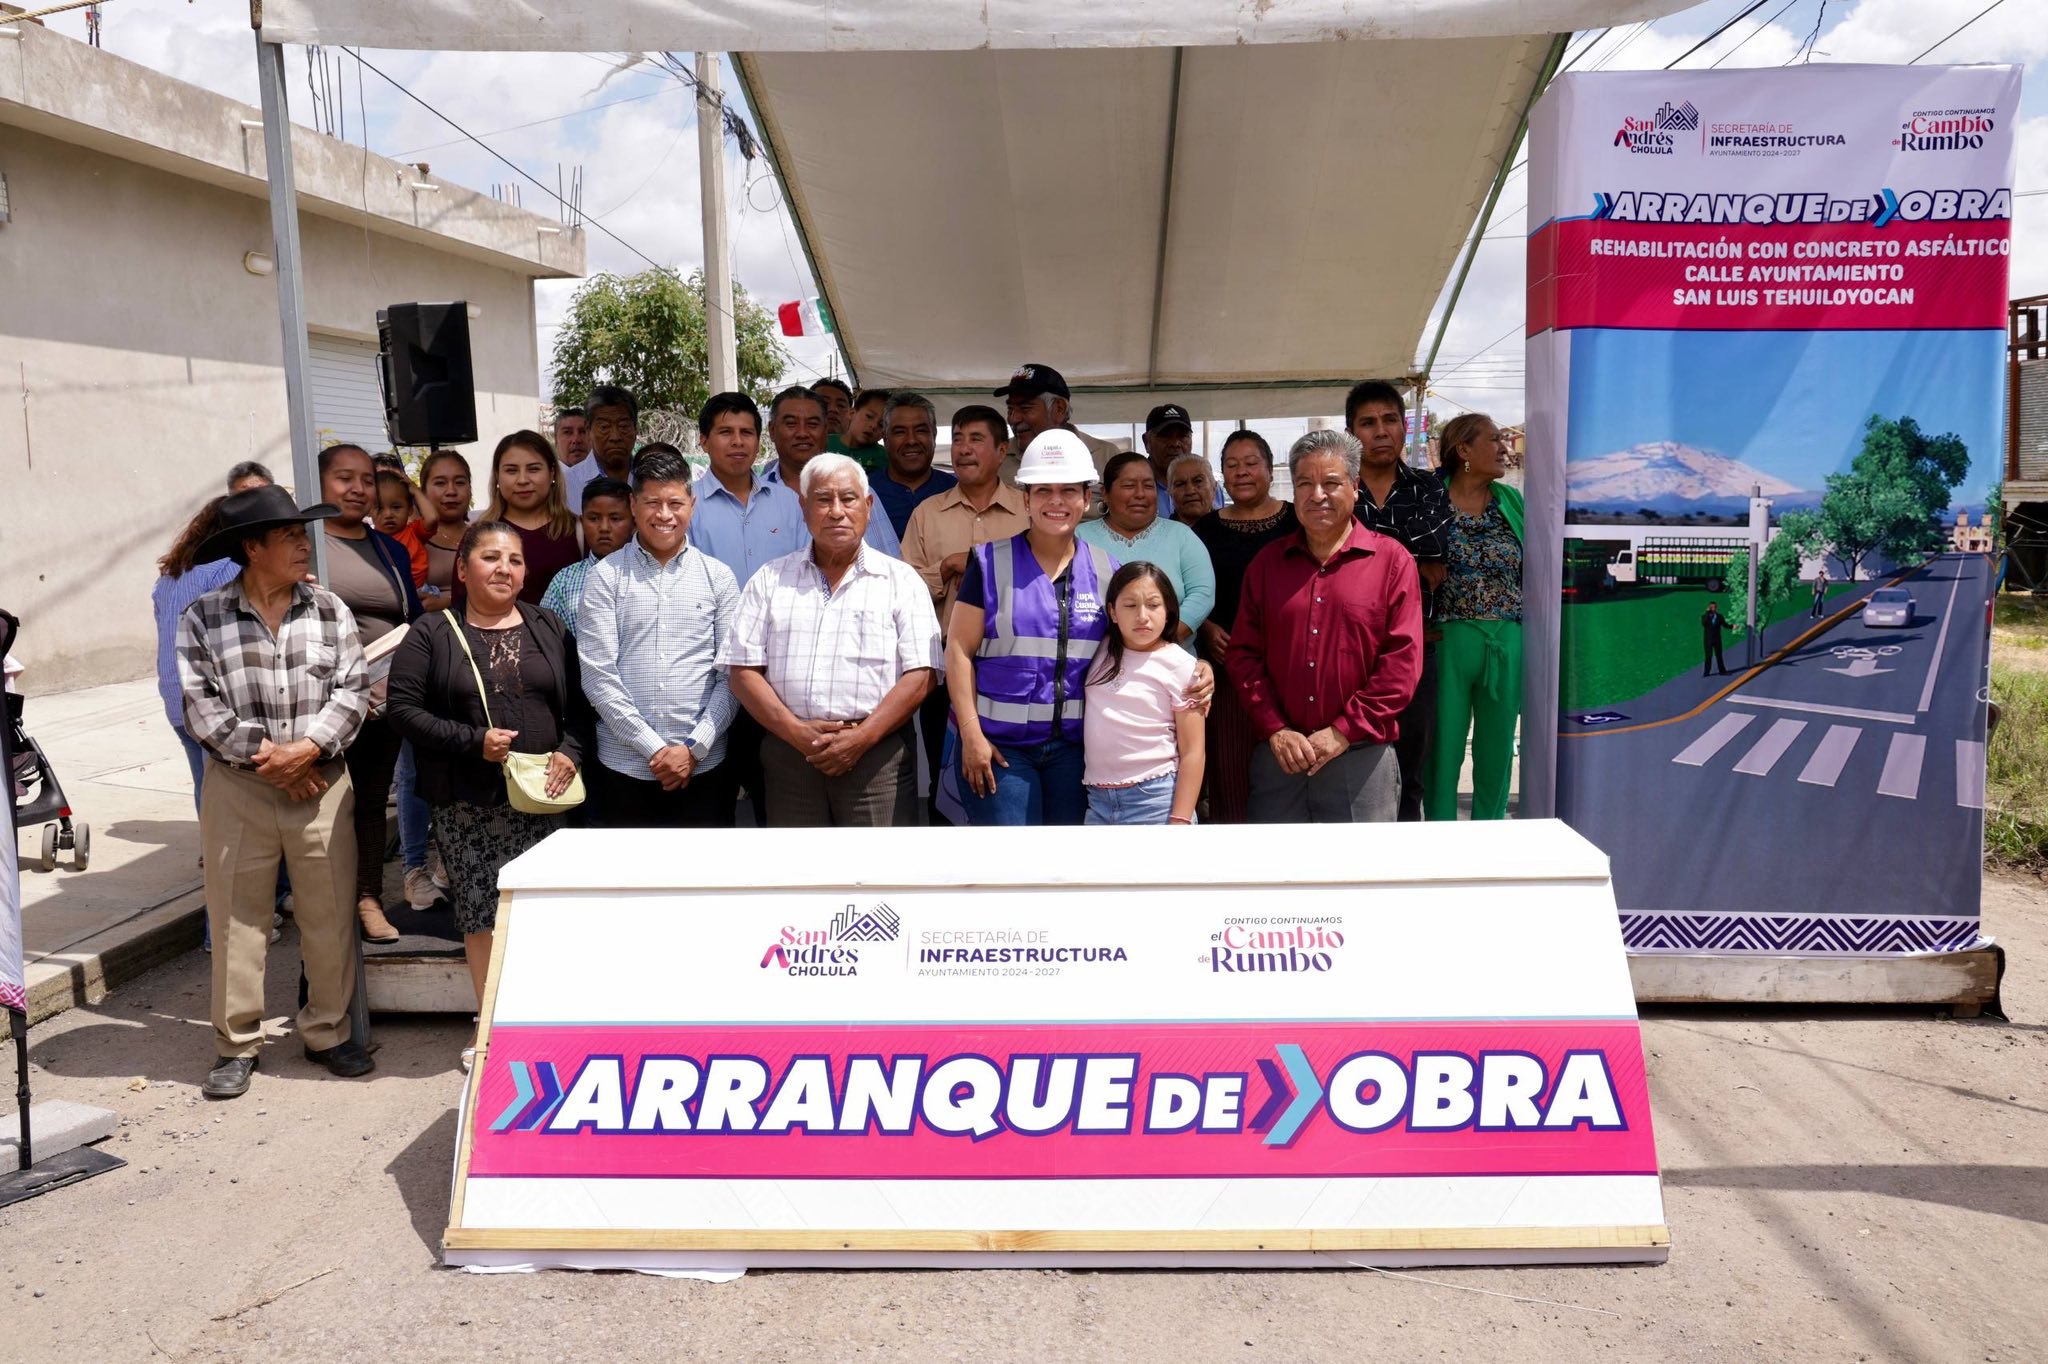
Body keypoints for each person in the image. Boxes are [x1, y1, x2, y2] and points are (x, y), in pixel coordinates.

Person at [176, 485, 373, 1097]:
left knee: (329, 910)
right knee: (238, 917)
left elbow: (355, 690)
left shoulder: (329, 609)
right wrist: (273, 759)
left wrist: (308, 751)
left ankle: (327, 1033)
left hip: (320, 780)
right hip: (240, 788)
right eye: (287, 535)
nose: (302, 543)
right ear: (251, 548)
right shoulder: (203, 617)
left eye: (301, 532)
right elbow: (200, 706)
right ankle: (236, 1045)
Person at [387, 521, 584, 1001]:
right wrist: (473, 742)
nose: (505, 568)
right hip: (466, 802)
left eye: (515, 560)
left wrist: (571, 752)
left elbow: (580, 705)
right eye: (491, 557)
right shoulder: (431, 632)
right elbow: (403, 710)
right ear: (462, 568)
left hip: (544, 799)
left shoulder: (547, 626)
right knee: (482, 917)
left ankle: (542, 1017)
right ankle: (491, 1029)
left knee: (545, 913)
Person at [724, 454, 942, 827]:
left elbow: (923, 674)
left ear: (868, 505)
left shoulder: (901, 581)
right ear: (803, 507)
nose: (837, 511)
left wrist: (861, 739)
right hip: (790, 753)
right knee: (800, 878)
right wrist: (796, 733)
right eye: (823, 499)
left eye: (849, 498)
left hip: (877, 753)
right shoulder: (770, 579)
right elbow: (742, 670)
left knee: (877, 878)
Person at [1226, 429, 1422, 824]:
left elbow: (1402, 663)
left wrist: (1344, 730)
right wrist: (1276, 729)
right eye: (1305, 483)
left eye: (1331, 483)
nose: (1317, 495)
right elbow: (1243, 655)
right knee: (1276, 879)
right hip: (1281, 758)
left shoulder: (1392, 562)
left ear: (1354, 487)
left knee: (1360, 881)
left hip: (1360, 758)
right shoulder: (1267, 564)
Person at [945, 430, 1113, 826]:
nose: (1057, 501)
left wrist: (1198, 670)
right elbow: (957, 651)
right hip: (999, 749)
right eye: (1043, 491)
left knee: (1062, 876)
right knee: (1010, 871)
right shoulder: (988, 563)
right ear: (1026, 499)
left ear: (1086, 498)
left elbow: (1135, 650)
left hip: (1075, 751)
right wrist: (971, 735)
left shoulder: (1107, 571)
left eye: (1069, 490)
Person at [577, 448, 742, 827]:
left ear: (692, 505)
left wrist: (694, 747)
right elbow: (598, 677)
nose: (664, 515)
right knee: (630, 884)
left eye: (674, 503)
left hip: (704, 768)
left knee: (704, 883)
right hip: (625, 769)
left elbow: (731, 675)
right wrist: (655, 750)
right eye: (652, 502)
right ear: (634, 504)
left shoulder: (718, 578)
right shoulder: (606, 577)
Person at [317, 443, 425, 942]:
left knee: (371, 801)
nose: (357, 489)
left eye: (365, 480)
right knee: (325, 807)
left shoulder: (391, 549)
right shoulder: (306, 546)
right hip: (320, 702)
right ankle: (325, 906)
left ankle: (367, 899)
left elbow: (411, 619)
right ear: (320, 483)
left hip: (381, 701)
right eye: (344, 478)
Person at [901, 405, 1030, 821]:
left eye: (976, 439)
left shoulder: (1028, 509)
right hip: (944, 667)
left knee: (1012, 773)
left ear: (1001, 450)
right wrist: (945, 568)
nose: (964, 449)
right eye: (957, 439)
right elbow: (903, 588)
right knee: (948, 776)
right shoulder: (927, 513)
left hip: (1015, 669)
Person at [689, 391, 808, 824]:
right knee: (714, 804)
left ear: (760, 441)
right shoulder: (688, 506)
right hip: (711, 676)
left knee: (776, 801)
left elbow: (805, 578)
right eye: (725, 432)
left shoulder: (789, 503)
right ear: (704, 441)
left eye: (746, 433)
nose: (737, 442)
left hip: (776, 675)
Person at [1348, 380, 1452, 822]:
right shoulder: (1339, 491)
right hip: (1350, 651)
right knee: (1352, 771)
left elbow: (1436, 547)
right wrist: (1409, 564)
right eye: (1368, 423)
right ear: (1351, 431)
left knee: (1411, 776)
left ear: (1404, 426)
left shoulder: (1428, 488)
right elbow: (1331, 559)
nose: (1381, 431)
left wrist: (1364, 561)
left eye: (1390, 420)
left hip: (1414, 651)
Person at [1192, 431, 1298, 823]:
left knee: (1286, 766)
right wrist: (1204, 628)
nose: (1242, 472)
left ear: (1270, 470)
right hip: (1227, 668)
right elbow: (1186, 591)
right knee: (1229, 772)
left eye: (1251, 463)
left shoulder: (1296, 520)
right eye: (1232, 466)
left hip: (1287, 666)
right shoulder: (1206, 529)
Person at [1425, 414, 1523, 823]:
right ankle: (1441, 840)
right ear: (1463, 450)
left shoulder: (1512, 502)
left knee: (1498, 751)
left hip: (1507, 643)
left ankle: (1491, 838)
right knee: (1444, 750)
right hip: (1448, 643)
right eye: (1494, 439)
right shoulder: (1430, 499)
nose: (1504, 447)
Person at [1083, 563, 1204, 825]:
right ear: (1112, 612)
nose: (1142, 616)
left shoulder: (1181, 665)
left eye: (1153, 605)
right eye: (1129, 606)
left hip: (1156, 800)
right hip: (1098, 802)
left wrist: (1180, 820)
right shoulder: (1100, 650)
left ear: (1169, 612)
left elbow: (1194, 751)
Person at [1077, 452, 1215, 653]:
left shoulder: (1181, 536)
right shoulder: (1080, 537)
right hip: (1098, 665)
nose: (1140, 494)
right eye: (1129, 485)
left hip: (1171, 662)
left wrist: (1159, 641)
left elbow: (1203, 593)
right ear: (1105, 492)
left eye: (1148, 486)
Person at [763, 385, 902, 556]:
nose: (802, 433)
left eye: (812, 424)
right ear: (772, 430)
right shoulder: (754, 496)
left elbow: (890, 565)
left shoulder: (858, 492)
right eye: (791, 424)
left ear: (826, 430)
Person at [483, 430, 583, 604]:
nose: (522, 480)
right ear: (497, 476)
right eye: (511, 470)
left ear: (552, 473)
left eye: (533, 469)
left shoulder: (578, 530)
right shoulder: (480, 535)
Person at [539, 476, 635, 639]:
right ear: (582, 522)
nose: (604, 528)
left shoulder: (649, 575)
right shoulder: (564, 582)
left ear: (634, 524)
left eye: (615, 518)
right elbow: (546, 642)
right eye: (594, 519)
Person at [995, 363, 1119, 487]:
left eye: (1025, 408)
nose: (1013, 419)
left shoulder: (1106, 456)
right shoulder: (996, 459)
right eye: (1010, 409)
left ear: (1059, 409)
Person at [872, 392, 957, 540]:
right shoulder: (864, 493)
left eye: (920, 431)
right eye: (900, 432)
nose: (911, 440)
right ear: (885, 439)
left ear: (934, 436)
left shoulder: (957, 491)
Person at [415, 449, 473, 613]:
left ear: (470, 489)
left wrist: (447, 601)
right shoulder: (412, 537)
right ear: (423, 492)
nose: (451, 491)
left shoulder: (485, 537)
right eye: (440, 483)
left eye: (460, 482)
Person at [1140, 403, 1222, 515]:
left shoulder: (1210, 487)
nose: (1175, 443)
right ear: (1146, 442)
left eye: (1183, 436)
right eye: (1165, 436)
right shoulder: (1136, 489)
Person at [585, 385, 640, 484]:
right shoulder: (565, 484)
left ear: (635, 429)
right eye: (604, 427)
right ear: (588, 430)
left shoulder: (652, 478)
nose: (615, 437)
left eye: (623, 426)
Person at [556, 406, 601, 504]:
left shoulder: (606, 477)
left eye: (583, 432)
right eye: (567, 432)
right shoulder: (546, 482)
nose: (576, 440)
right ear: (556, 440)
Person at [837, 387, 890, 472]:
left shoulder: (885, 459)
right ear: (852, 413)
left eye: (881, 424)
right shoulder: (824, 443)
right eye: (869, 416)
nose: (874, 426)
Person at [1167, 453, 1219, 528]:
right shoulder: (1158, 536)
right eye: (1180, 484)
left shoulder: (1232, 532)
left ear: (1214, 487)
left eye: (1198, 481)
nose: (1190, 491)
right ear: (1170, 493)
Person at [1702, 601, 1729, 677]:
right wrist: (1707, 613)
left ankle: (1722, 670)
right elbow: (1704, 623)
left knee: (1719, 655)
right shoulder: (1704, 616)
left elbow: (1724, 624)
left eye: (1714, 607)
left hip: (1717, 639)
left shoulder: (1719, 616)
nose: (1713, 609)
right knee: (1708, 656)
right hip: (1708, 640)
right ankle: (1706, 672)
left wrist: (1731, 626)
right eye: (1711, 607)